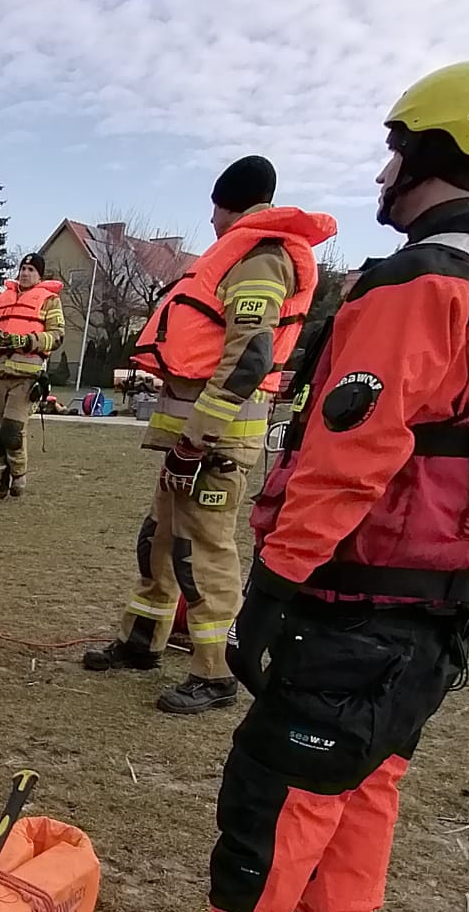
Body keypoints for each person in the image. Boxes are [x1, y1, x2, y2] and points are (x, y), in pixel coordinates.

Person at [93, 59, 469, 912]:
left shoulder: (419, 284)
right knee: (366, 774)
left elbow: (352, 449)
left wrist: (278, 584)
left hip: (363, 588)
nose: (382, 171)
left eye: (395, 150)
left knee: (280, 776)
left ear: (433, 150)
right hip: (447, 595)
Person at [83, 158, 336, 714]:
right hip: (189, 446)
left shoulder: (261, 259)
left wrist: (195, 441)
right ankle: (142, 641)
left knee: (203, 555)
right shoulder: (240, 257)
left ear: (225, 205)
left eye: (214, 209)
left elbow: (250, 359)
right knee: (159, 542)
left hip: (213, 446)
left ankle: (216, 673)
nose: (212, 221)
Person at [0, 254, 64, 501]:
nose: (25, 273)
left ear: (40, 275)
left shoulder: (50, 301)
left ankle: (18, 477)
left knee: (12, 430)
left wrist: (28, 341)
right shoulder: (2, 298)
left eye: (31, 270)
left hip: (27, 376)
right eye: (23, 268)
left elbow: (57, 335)